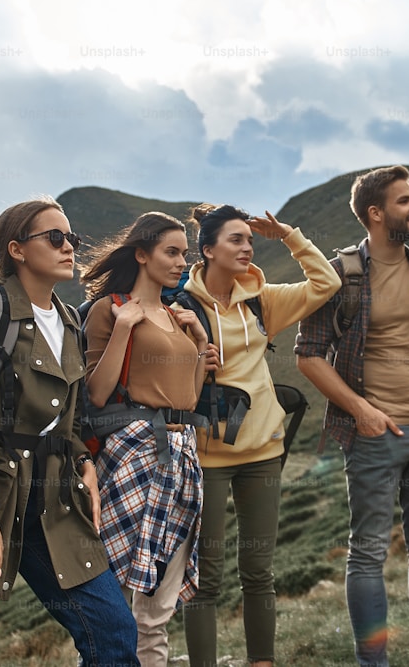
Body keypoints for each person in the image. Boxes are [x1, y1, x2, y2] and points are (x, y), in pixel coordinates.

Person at [0, 198, 139, 666]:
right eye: (54, 238)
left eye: (72, 239)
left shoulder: (70, 320)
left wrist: (85, 466)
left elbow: (73, 420)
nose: (69, 247)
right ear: (16, 249)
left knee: (115, 635)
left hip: (56, 498)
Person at [295, 165, 409, 667]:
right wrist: (362, 410)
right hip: (373, 435)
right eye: (405, 200)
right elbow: (309, 353)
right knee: (367, 553)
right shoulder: (341, 273)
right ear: (375, 213)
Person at [179, 204, 340, 667]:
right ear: (207, 250)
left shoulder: (260, 299)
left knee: (258, 572)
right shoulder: (181, 307)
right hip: (206, 456)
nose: (247, 247)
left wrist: (289, 234)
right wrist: (194, 361)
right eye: (235, 240)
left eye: (249, 240)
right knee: (205, 579)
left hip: (263, 454)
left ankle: (261, 662)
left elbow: (325, 284)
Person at [79, 211, 212, 667]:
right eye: (170, 252)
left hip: (181, 455)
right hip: (131, 455)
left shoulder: (179, 315)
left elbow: (189, 398)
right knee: (113, 605)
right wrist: (121, 328)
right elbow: (96, 393)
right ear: (141, 254)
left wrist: (196, 346)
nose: (181, 262)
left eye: (183, 253)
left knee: (157, 613)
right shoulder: (109, 309)